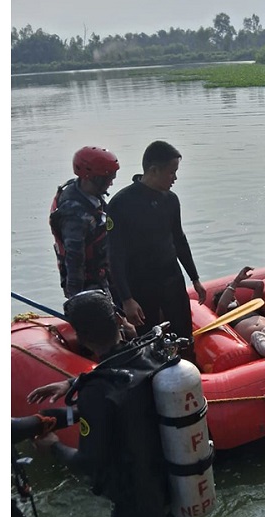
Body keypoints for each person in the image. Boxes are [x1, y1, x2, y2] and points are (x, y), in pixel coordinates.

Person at [28, 290, 191, 517]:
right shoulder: (151, 352)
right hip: (177, 489)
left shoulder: (97, 392)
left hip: (137, 507)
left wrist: (53, 447)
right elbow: (126, 375)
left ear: (81, 338)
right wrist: (73, 382)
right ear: (118, 321)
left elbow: (88, 462)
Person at [108, 140, 205, 366]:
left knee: (182, 335)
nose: (175, 178)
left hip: (171, 279)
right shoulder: (121, 203)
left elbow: (179, 240)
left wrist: (195, 278)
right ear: (153, 170)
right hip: (140, 285)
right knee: (147, 341)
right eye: (171, 172)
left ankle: (192, 375)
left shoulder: (171, 200)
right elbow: (115, 255)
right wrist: (126, 299)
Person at [49, 146, 119, 300]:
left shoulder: (88, 194)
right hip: (89, 283)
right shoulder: (74, 214)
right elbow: (74, 258)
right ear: (92, 177)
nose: (111, 184)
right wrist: (77, 298)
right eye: (108, 179)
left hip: (104, 271)